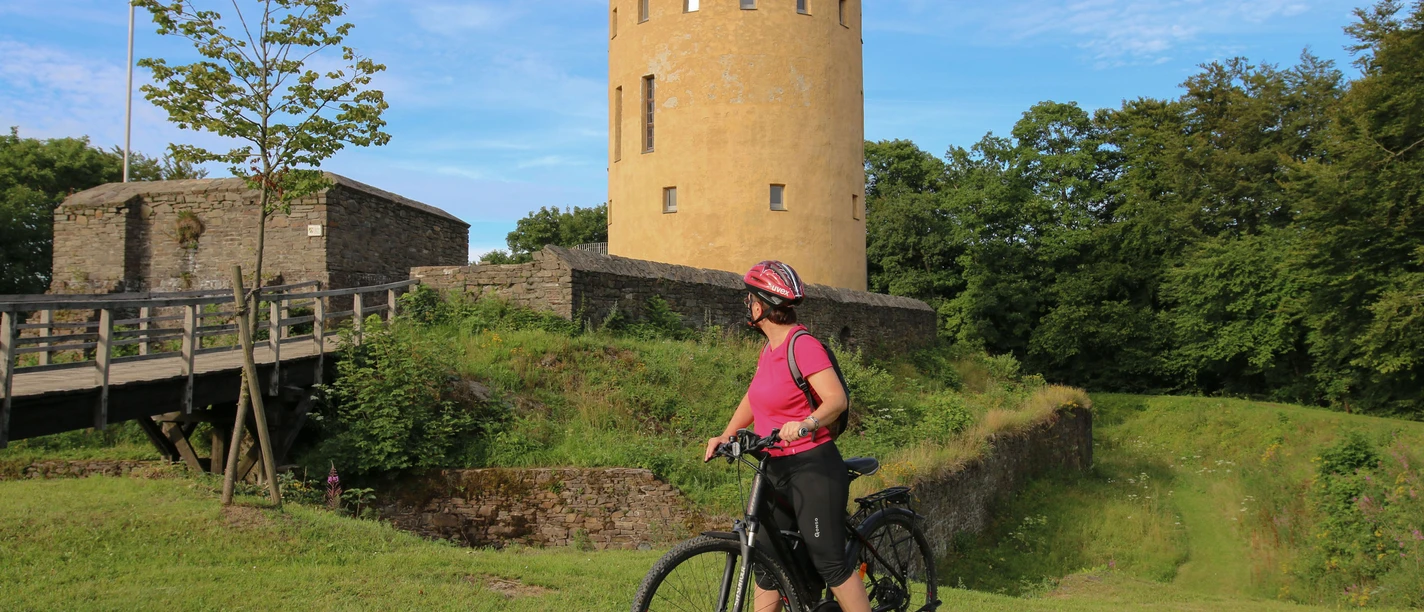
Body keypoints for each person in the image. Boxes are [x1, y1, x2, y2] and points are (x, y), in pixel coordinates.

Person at [703, 261, 871, 612]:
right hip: (773, 469)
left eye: (749, 299)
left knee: (830, 562)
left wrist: (807, 423)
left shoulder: (802, 345)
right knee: (766, 564)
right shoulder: (769, 349)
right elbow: (755, 398)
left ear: (760, 306)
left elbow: (836, 400)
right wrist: (726, 435)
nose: (747, 305)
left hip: (812, 466)